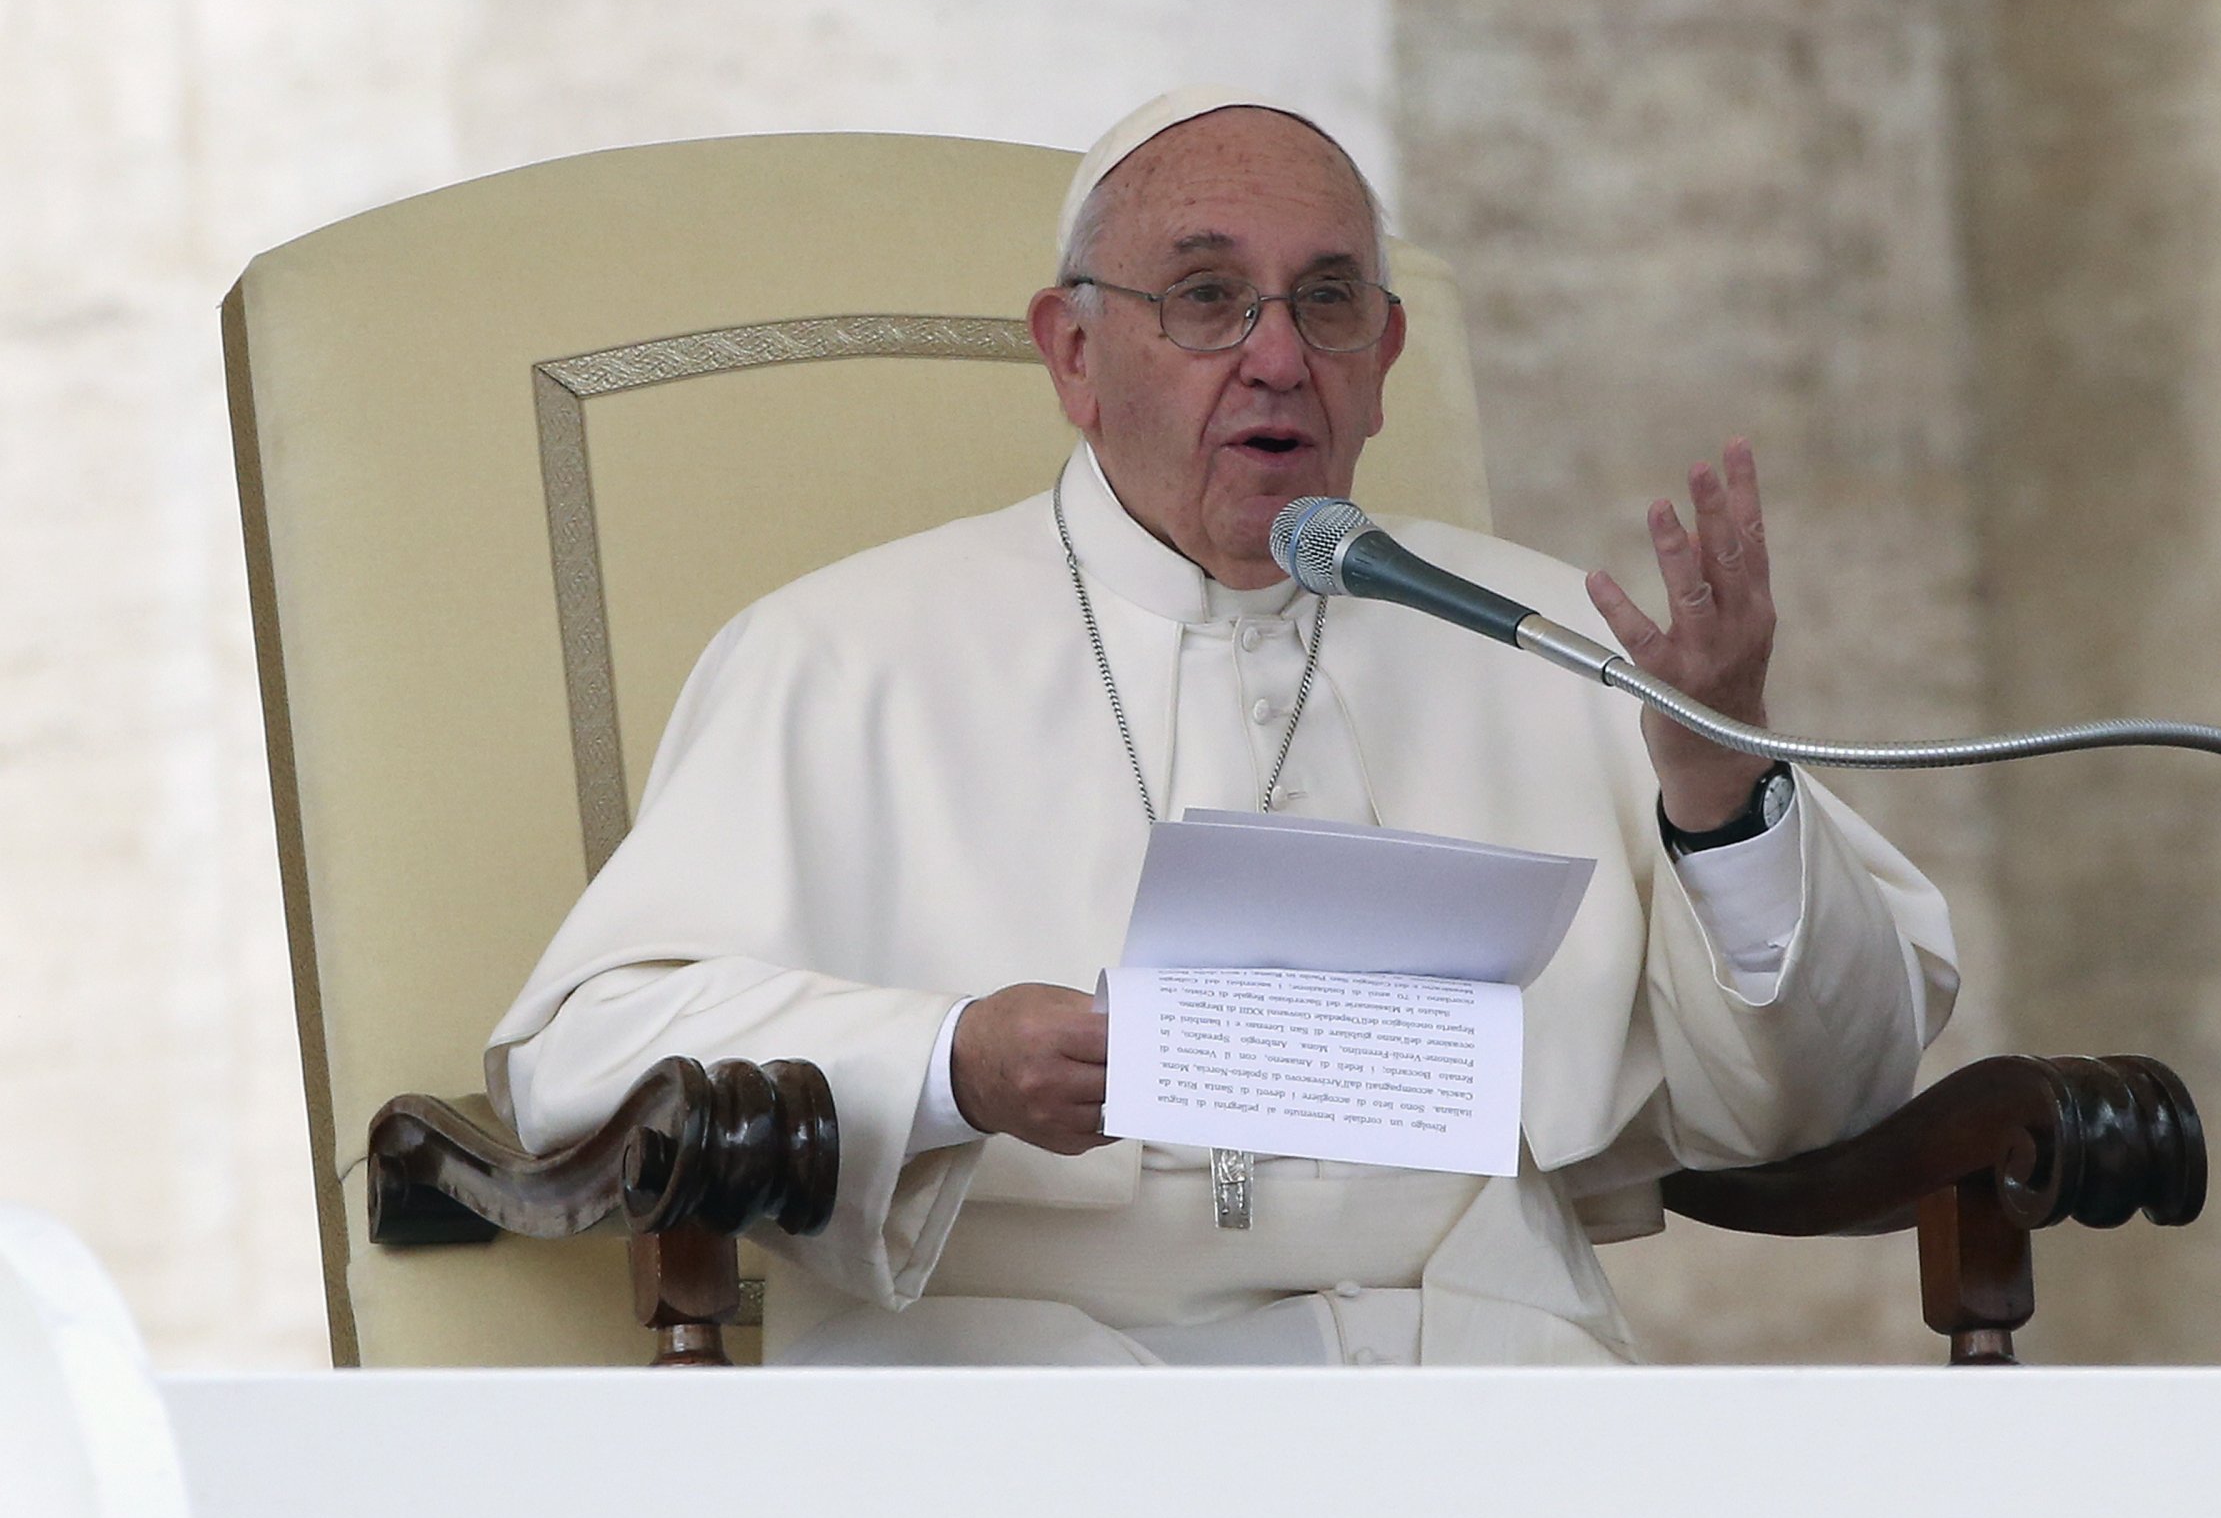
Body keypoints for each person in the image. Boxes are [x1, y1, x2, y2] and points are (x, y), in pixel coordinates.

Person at [485, 87, 1958, 1366]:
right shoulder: (840, 654)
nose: (1274, 355)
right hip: (1005, 1420)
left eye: (1326, 303)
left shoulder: (1547, 642)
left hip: (1478, 1397)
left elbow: (1826, 1095)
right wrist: (949, 1057)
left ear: (1383, 358)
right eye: (1204, 295)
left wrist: (1719, 790)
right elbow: (578, 1054)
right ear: (1071, 353)